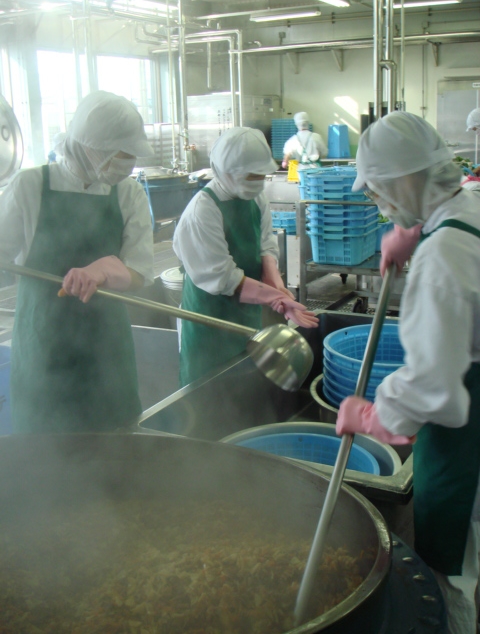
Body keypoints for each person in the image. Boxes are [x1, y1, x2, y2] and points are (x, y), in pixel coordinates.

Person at [335, 111, 480, 634]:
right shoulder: (466, 205)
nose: (380, 206)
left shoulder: (443, 260)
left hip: (467, 434)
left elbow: (434, 388)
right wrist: (413, 231)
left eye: (379, 194)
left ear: (403, 181)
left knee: (453, 566)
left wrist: (372, 413)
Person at [0, 90, 154, 433]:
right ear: (88, 145)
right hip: (44, 347)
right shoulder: (30, 186)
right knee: (45, 453)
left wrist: (105, 270)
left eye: (130, 155)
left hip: (107, 350)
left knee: (117, 448)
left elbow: (141, 271)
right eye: (119, 153)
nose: (126, 163)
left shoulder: (128, 193)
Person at [173, 126, 318, 387]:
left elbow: (266, 247)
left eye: (261, 175)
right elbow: (222, 278)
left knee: (242, 389)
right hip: (208, 321)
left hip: (246, 313)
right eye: (251, 176)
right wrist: (274, 296)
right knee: (208, 397)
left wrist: (279, 290)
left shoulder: (256, 198)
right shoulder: (202, 211)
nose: (258, 182)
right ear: (224, 171)